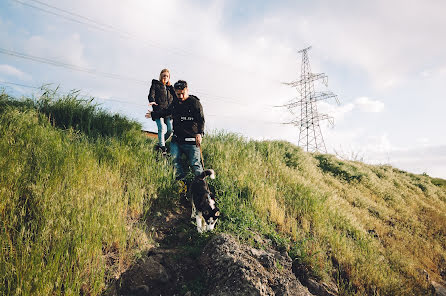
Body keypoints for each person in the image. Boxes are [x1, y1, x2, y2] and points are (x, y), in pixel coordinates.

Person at [147, 80, 205, 180]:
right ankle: (182, 184)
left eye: (182, 93)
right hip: (177, 140)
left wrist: (200, 133)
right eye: (178, 94)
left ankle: (203, 190)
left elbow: (201, 119)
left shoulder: (195, 103)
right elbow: (165, 112)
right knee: (175, 160)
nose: (181, 96)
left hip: (192, 141)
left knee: (195, 165)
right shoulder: (175, 103)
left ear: (187, 90)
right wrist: (153, 114)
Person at [146, 68, 174, 153]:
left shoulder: (170, 88)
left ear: (169, 78)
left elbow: (174, 99)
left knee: (170, 130)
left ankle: (159, 144)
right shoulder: (156, 85)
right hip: (158, 110)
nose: (165, 77)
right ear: (161, 76)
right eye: (164, 75)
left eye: (167, 76)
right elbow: (151, 94)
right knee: (161, 128)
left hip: (168, 112)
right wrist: (152, 101)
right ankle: (162, 147)